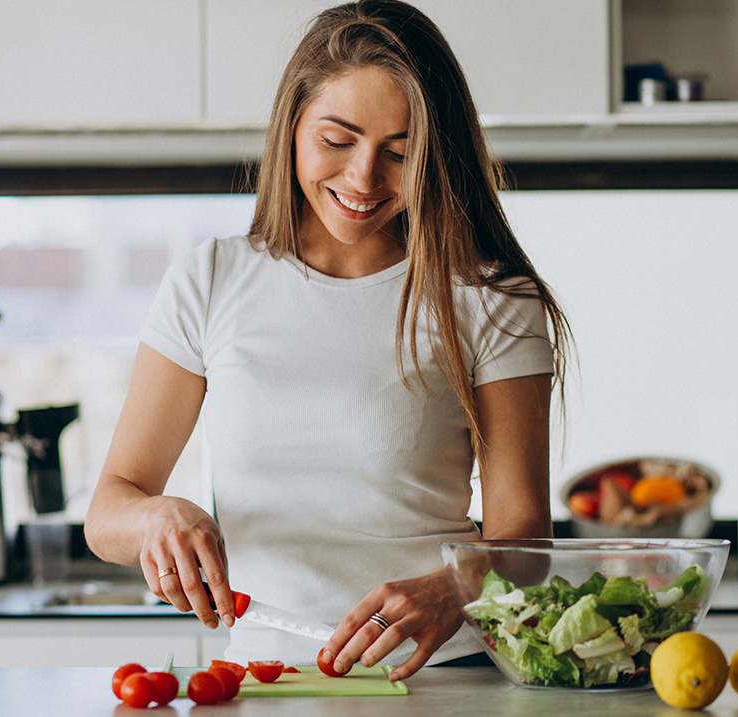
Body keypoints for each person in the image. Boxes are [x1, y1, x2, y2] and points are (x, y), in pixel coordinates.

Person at [85, 0, 570, 681]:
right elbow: (111, 506)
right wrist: (156, 518)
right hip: (260, 679)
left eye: (400, 154)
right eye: (337, 141)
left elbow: (525, 542)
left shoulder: (491, 298)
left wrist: (455, 586)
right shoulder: (212, 279)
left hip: (438, 677)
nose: (363, 178)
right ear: (292, 127)